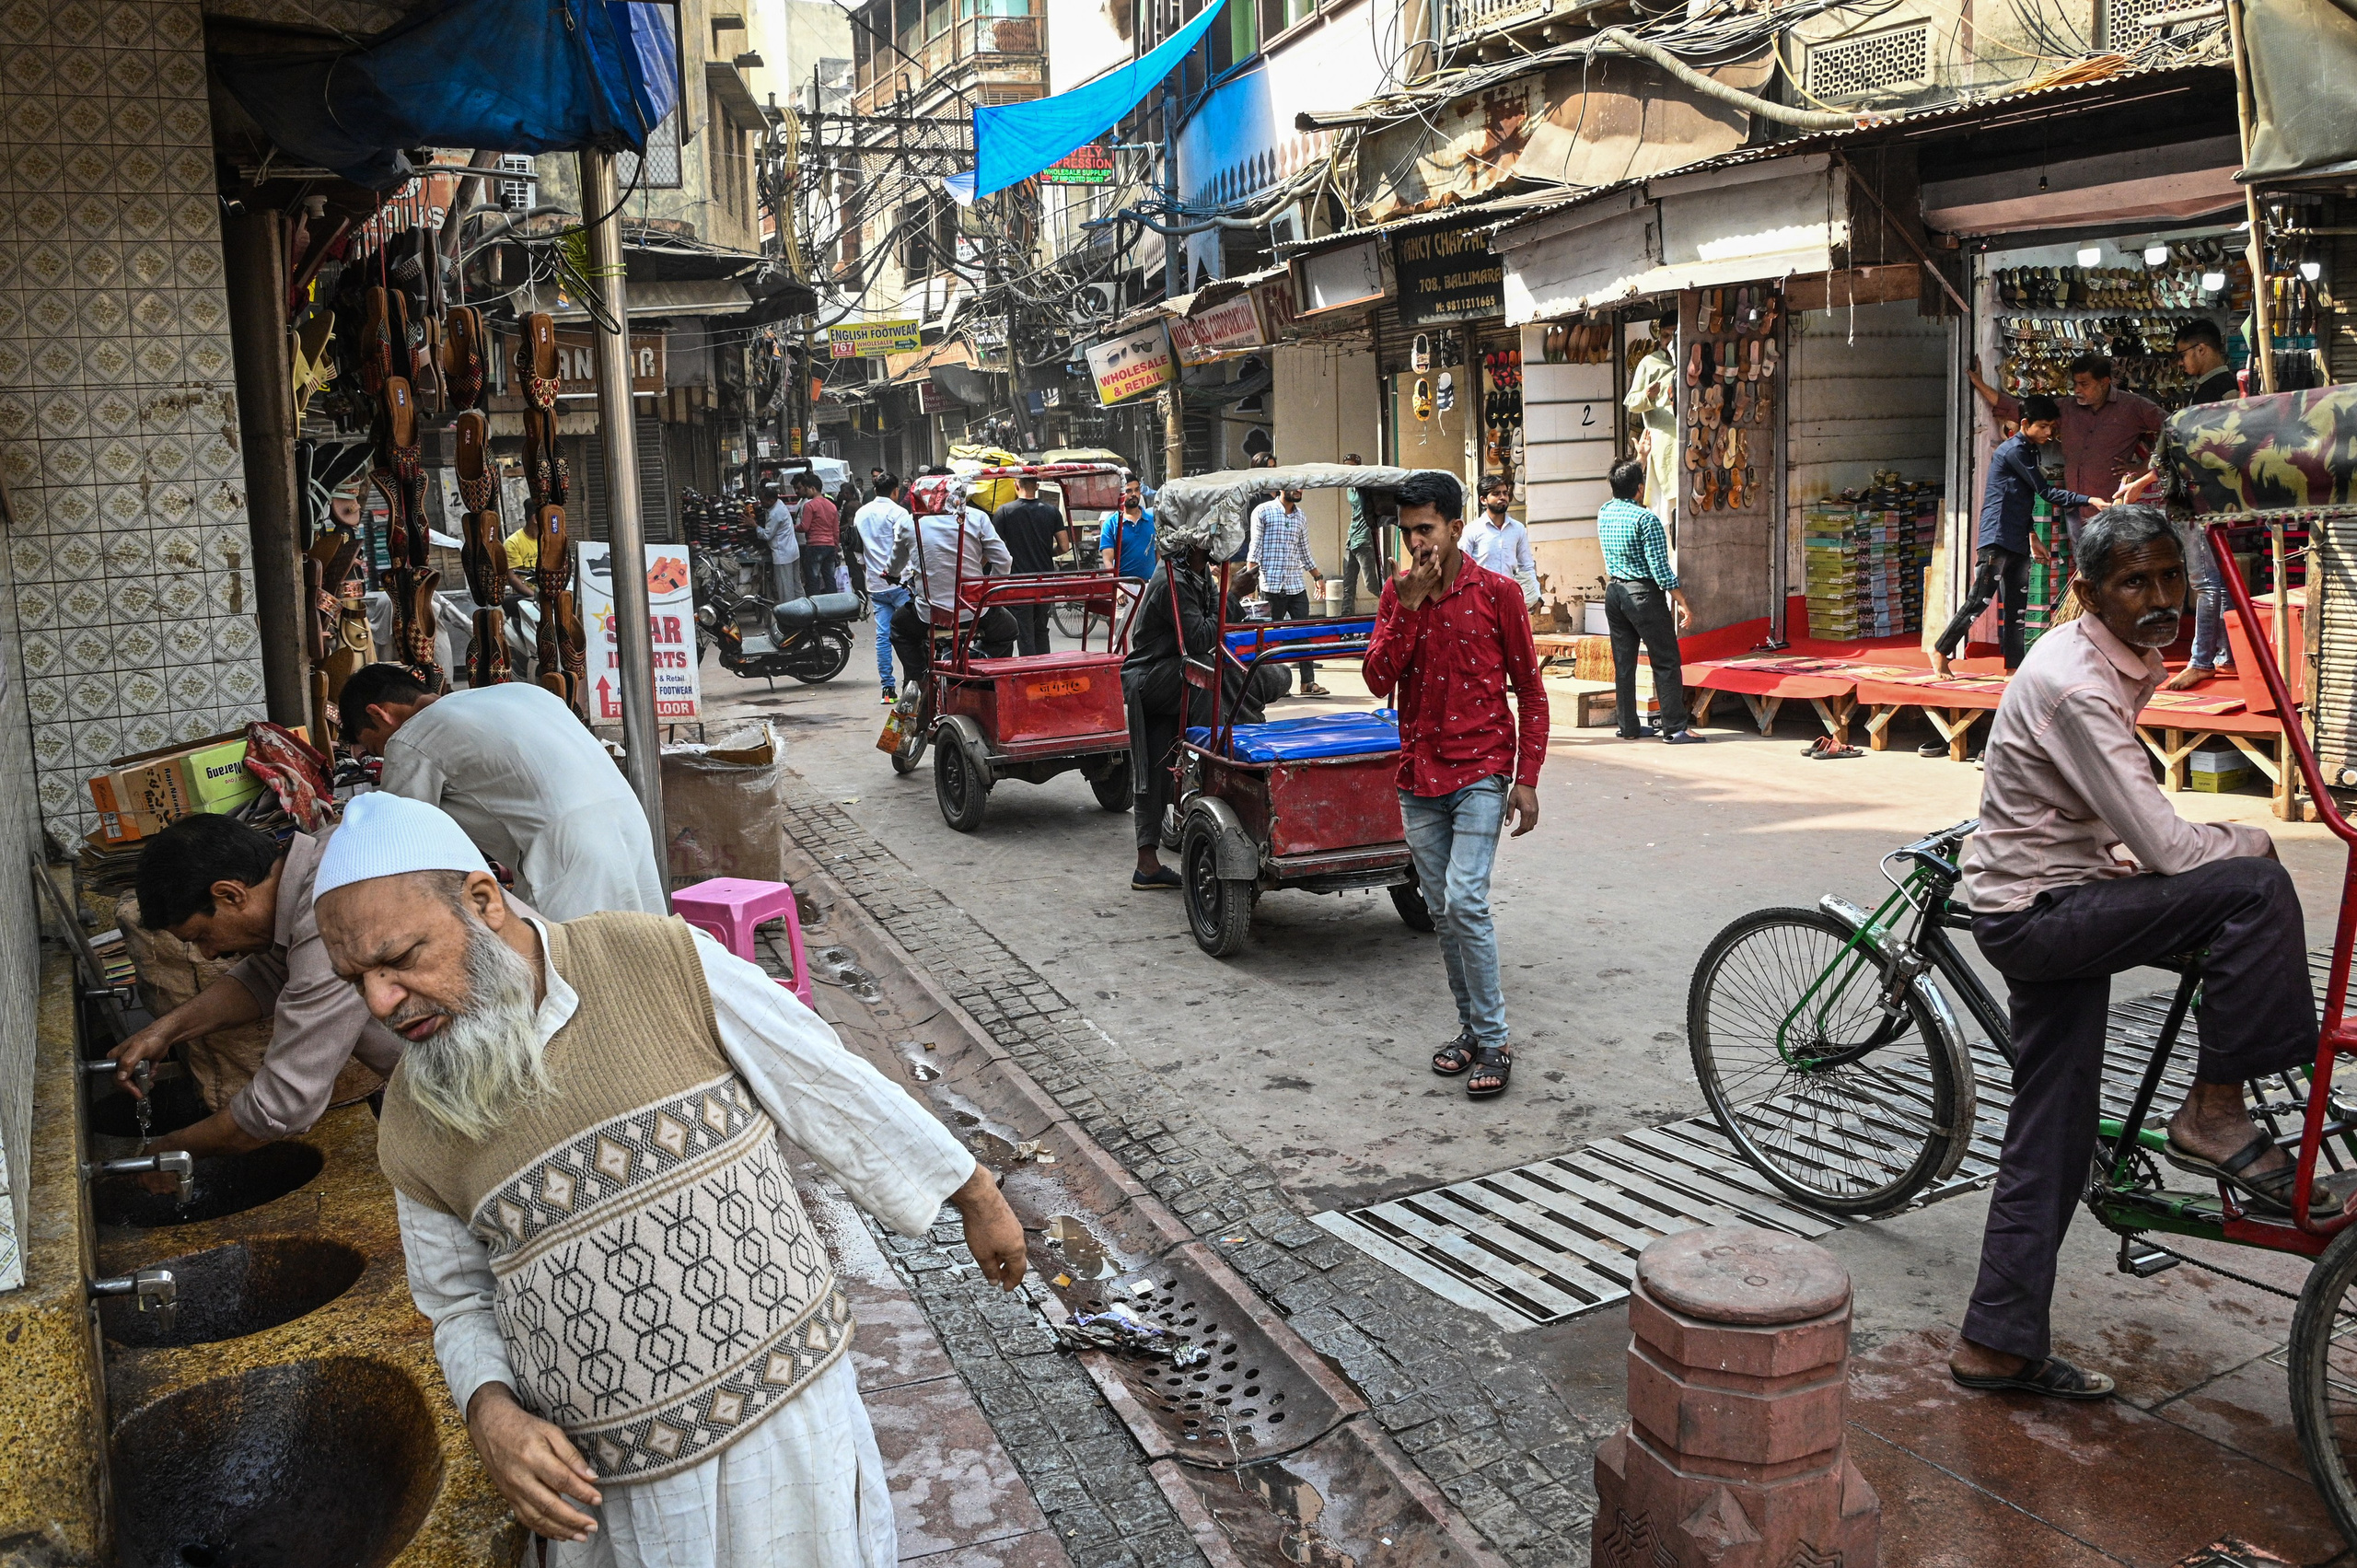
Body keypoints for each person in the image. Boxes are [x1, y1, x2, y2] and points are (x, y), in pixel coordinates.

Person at [311, 792, 1024, 1566]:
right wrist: (490, 1411)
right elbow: (456, 1300)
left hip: (784, 1435)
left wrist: (974, 1191)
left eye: (400, 957)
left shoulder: (657, 959)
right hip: (610, 1495)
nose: (380, 1000)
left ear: (483, 901)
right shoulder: (413, 1118)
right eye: (356, 979)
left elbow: (821, 1079)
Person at [1946, 505, 2315, 1401]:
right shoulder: (2076, 681)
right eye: (2133, 582)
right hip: (2041, 912)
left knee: (2054, 1125)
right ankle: (2215, 1112)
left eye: (2169, 577)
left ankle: (1994, 1343)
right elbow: (2174, 850)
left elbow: (2115, 818)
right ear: (2087, 592)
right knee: (2253, 887)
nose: (2158, 598)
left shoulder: (2108, 658)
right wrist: (2252, 839)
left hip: (2054, 891)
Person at [104, 813, 447, 1168]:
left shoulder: (334, 910)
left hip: (478, 1087)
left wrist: (172, 1150)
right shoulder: (323, 861)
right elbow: (268, 974)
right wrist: (165, 1032)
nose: (208, 954)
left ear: (230, 894)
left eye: (202, 936)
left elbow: (284, 1103)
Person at [1363, 470, 1547, 1100]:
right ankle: (1471, 1029)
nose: (1417, 543)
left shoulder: (1499, 593)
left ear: (1454, 527)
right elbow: (1377, 680)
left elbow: (1532, 692)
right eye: (1408, 532)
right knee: (1442, 911)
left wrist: (1527, 778)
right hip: (1419, 775)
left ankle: (1494, 1039)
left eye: (1427, 529)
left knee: (1466, 901)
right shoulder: (1397, 595)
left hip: (1481, 771)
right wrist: (1407, 608)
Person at [339, 663, 668, 920]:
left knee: (564, 968)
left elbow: (402, 839)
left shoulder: (412, 737)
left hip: (565, 850)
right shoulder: (526, 693)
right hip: (630, 824)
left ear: (378, 713)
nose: (383, 755)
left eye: (375, 746)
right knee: (642, 951)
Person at [1122, 543, 1275, 889]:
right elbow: (1200, 639)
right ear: (1194, 542)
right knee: (1207, 672)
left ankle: (1148, 866)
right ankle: (1214, 765)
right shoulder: (1171, 581)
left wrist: (1230, 598)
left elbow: (1215, 626)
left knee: (1255, 673)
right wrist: (1233, 595)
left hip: (1175, 671)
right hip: (1150, 676)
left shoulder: (1198, 572)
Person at [1931, 394, 2104, 679]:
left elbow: (2021, 499)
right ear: (2025, 424)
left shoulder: (2030, 451)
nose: (2049, 433)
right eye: (2044, 426)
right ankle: (1941, 650)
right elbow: (2045, 492)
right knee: (1980, 600)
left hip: (2018, 537)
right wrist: (2089, 499)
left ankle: (2014, 668)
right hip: (1997, 536)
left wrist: (2032, 535)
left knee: (2017, 608)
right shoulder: (2013, 451)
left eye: (2052, 427)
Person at [1970, 353, 2163, 545]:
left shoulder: (2133, 406)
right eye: (2075, 383)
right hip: (2076, 508)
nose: (2077, 390)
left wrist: (2145, 466)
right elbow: (2018, 409)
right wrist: (1979, 384)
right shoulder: (2068, 407)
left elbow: (2174, 430)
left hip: (2111, 506)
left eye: (2084, 384)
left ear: (2104, 382)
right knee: (2083, 559)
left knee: (2111, 557)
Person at [2163, 319, 2243, 690]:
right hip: (2210, 496)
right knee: (2218, 581)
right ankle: (2227, 655)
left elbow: (2217, 447)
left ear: (2201, 349)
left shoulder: (2220, 390)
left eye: (2183, 354)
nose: (2181, 363)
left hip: (2202, 497)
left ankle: (2202, 660)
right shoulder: (2216, 389)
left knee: (2205, 584)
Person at [1596, 458, 1699, 743]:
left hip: (1614, 593)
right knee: (1666, 661)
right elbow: (1660, 569)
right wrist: (1682, 601)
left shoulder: (1604, 511)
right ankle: (1675, 727)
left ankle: (1628, 726)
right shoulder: (1646, 519)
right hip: (1642, 594)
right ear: (1640, 488)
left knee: (1624, 663)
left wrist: (1639, 457)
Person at [888, 476, 1016, 689]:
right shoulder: (976, 517)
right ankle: (975, 668)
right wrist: (989, 589)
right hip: (974, 611)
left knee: (899, 627)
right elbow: (1004, 561)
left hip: (929, 615)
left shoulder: (910, 522)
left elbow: (895, 565)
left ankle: (918, 679)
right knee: (1008, 629)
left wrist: (890, 573)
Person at [1248, 484, 1330, 695]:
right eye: (1295, 486)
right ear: (1281, 487)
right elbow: (1255, 548)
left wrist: (1317, 577)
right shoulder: (1263, 511)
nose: (1299, 490)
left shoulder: (1300, 516)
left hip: (1296, 585)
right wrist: (1248, 582)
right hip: (1271, 585)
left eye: (1302, 487)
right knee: (1271, 639)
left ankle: (1307, 683)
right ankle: (1275, 684)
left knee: (1304, 633)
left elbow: (1304, 550)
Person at [993, 473, 1070, 657]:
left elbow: (994, 548)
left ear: (1016, 485)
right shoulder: (1052, 511)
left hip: (1019, 582)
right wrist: (1047, 552)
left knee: (1024, 632)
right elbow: (1064, 546)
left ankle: (1029, 671)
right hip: (1045, 581)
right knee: (1041, 629)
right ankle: (1044, 669)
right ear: (1037, 486)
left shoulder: (1005, 512)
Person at [853, 474, 911, 703]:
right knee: (912, 635)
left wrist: (868, 569)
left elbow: (857, 550)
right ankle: (912, 683)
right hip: (900, 583)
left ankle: (887, 690)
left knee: (883, 637)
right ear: (895, 491)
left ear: (875, 489)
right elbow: (905, 547)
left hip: (876, 586)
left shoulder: (861, 513)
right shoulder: (899, 513)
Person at [1460, 475, 1536, 605]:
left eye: (1505, 493)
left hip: (1509, 598)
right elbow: (1462, 567)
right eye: (1496, 494)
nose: (1502, 497)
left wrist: (1535, 596)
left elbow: (1526, 566)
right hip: (1481, 600)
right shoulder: (1472, 530)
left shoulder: (1518, 529)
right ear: (1483, 500)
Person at [1340, 453, 1387, 615]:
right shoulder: (1349, 489)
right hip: (1351, 538)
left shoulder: (1367, 488)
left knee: (1371, 584)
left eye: (1352, 468)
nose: (1349, 472)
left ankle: (1393, 604)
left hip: (1365, 540)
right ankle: (1346, 619)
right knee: (1348, 585)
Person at [1099, 476, 1158, 583]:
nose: (1134, 494)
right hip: (1124, 586)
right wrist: (1117, 586)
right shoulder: (1111, 524)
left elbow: (1159, 554)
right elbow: (1107, 561)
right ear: (1120, 493)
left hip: (1150, 585)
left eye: (1137, 490)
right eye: (1129, 491)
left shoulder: (1152, 520)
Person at [794, 471, 842, 598]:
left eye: (806, 489)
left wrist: (793, 527)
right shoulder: (832, 506)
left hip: (814, 545)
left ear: (813, 488)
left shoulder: (810, 505)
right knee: (829, 578)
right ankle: (834, 605)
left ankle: (816, 605)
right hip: (830, 546)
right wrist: (835, 546)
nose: (805, 492)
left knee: (813, 578)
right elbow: (836, 530)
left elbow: (805, 527)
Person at [758, 482, 800, 603]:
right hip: (792, 551)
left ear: (771, 500)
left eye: (763, 501)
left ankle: (789, 611)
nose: (761, 503)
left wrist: (755, 526)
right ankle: (802, 609)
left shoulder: (775, 513)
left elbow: (767, 535)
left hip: (783, 555)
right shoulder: (779, 504)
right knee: (796, 585)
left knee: (786, 588)